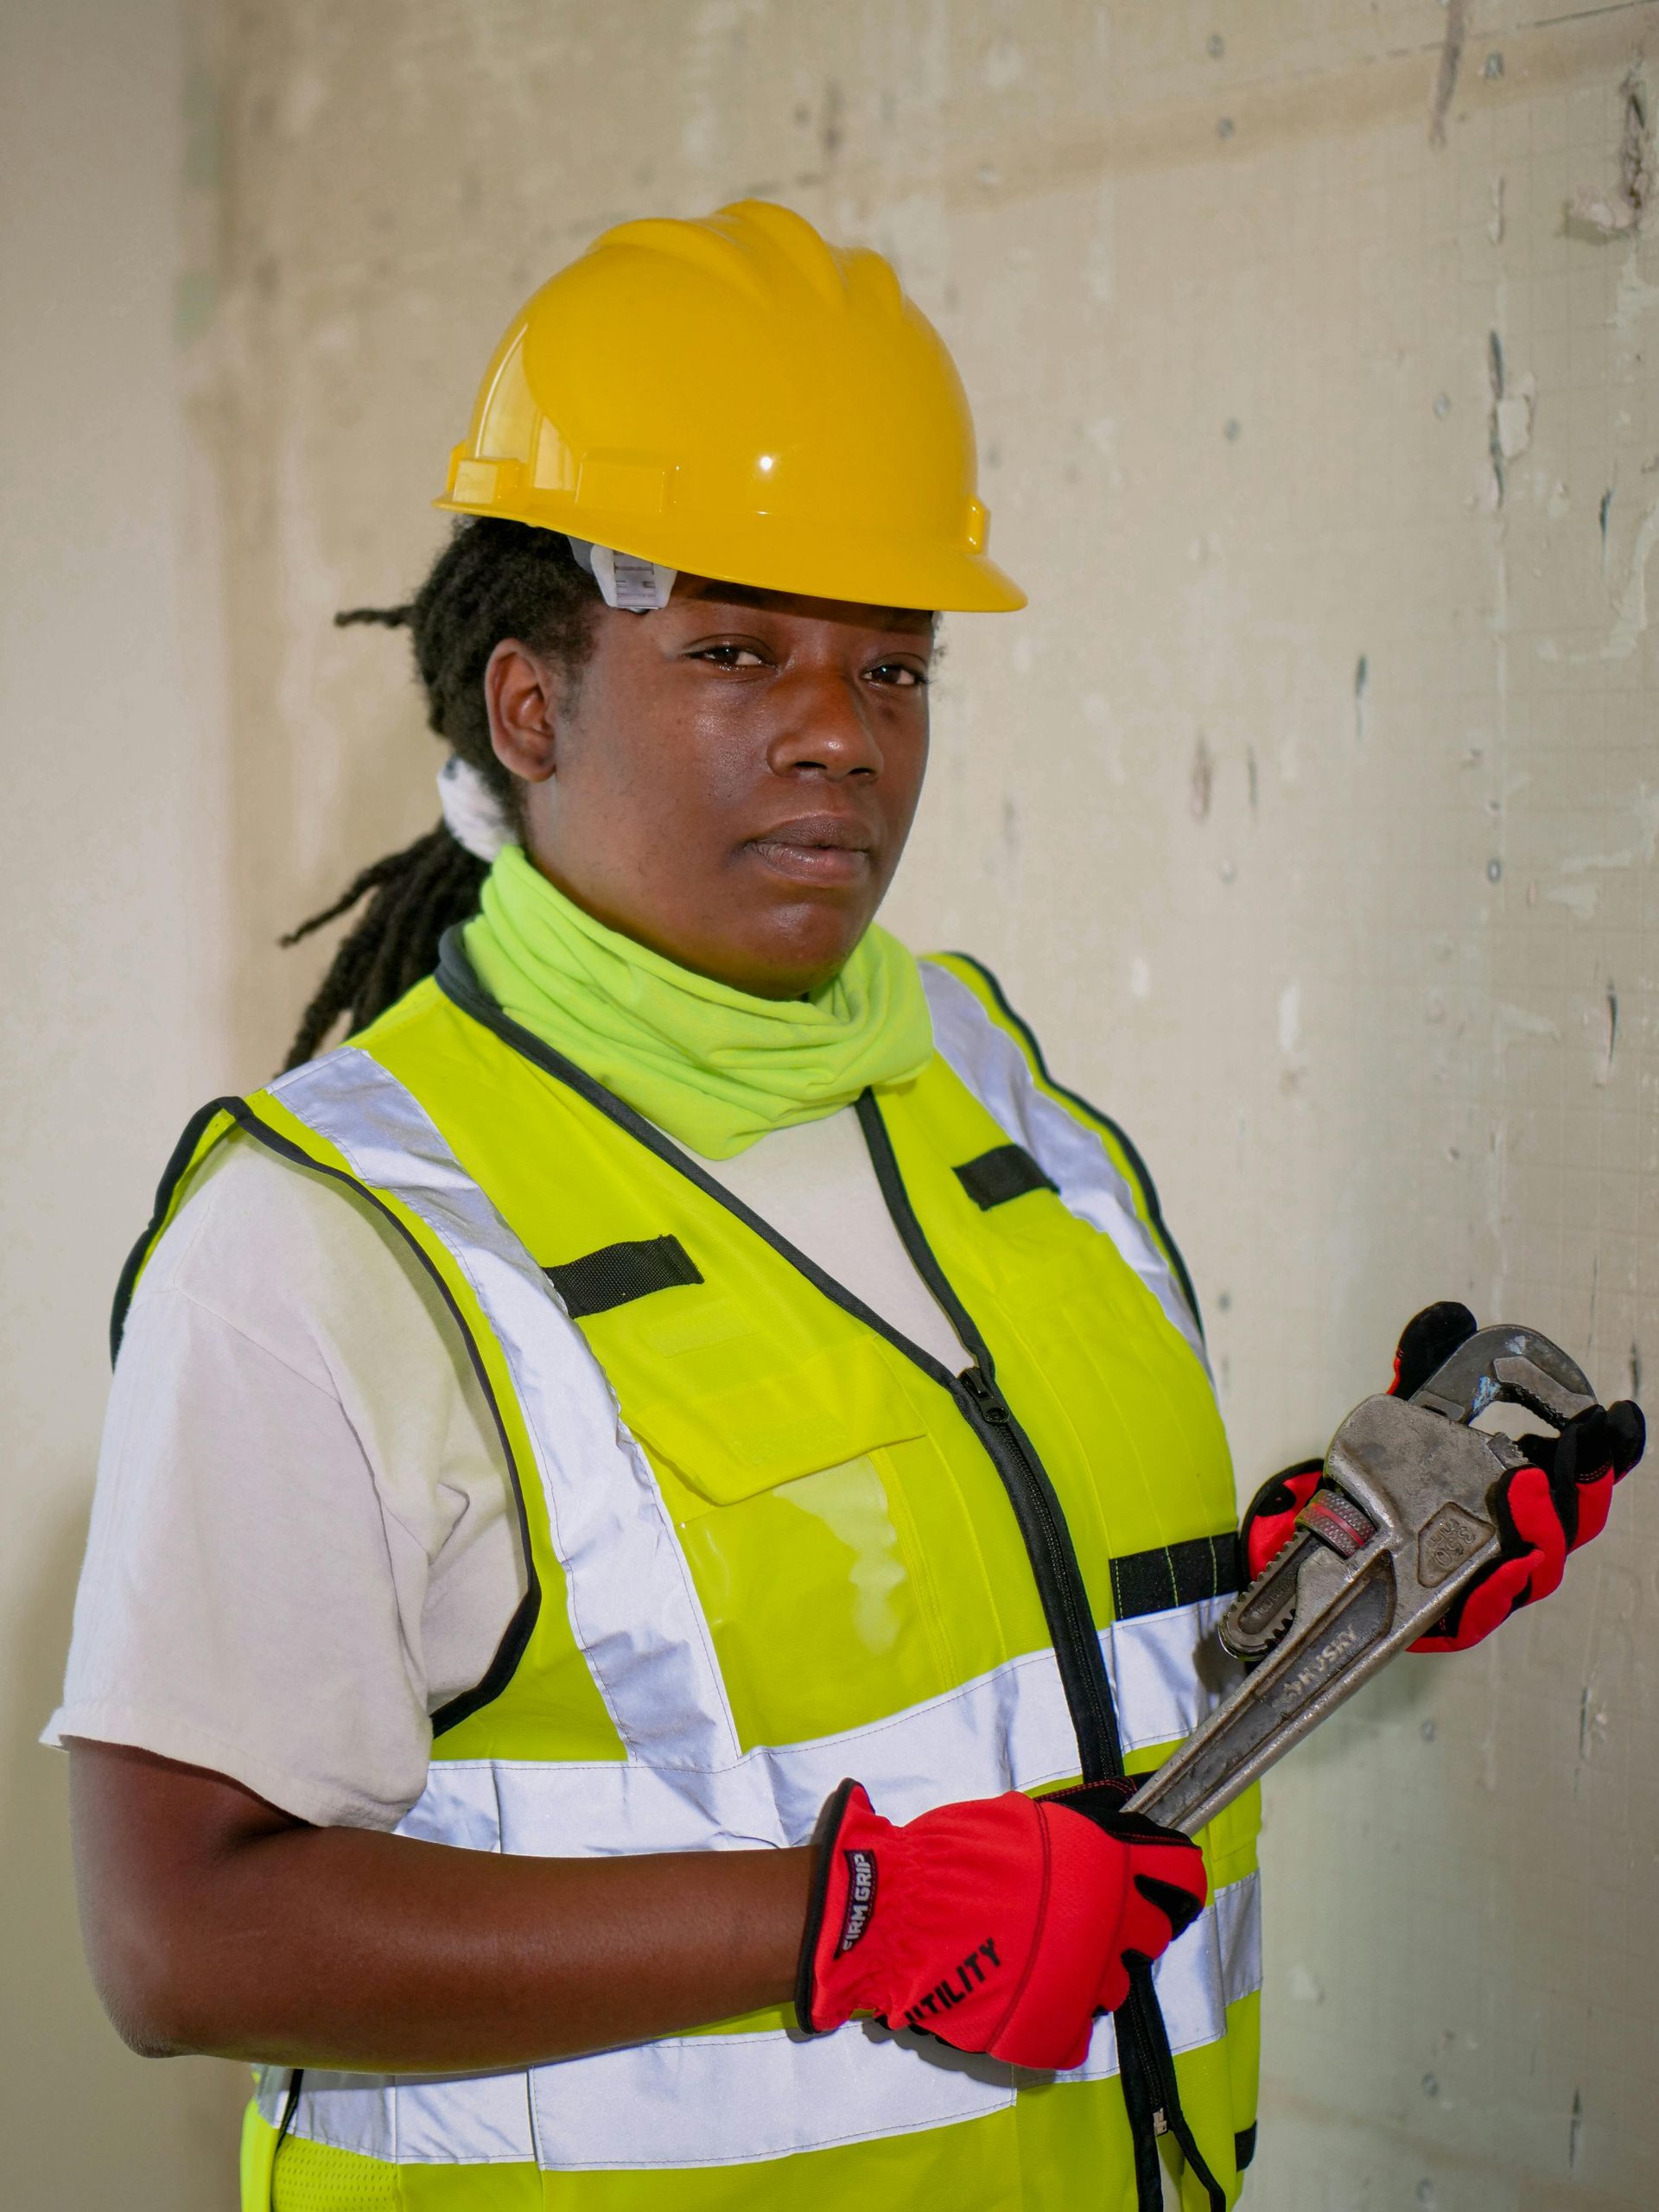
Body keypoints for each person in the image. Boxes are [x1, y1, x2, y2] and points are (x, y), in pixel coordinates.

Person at [49, 200, 1641, 2212]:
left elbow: (999, 1689)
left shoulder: (987, 1085)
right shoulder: (322, 1240)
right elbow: (177, 1938)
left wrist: (1326, 1590)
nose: (841, 730)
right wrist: (838, 1919)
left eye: (894, 662)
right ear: (527, 704)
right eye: (737, 647)